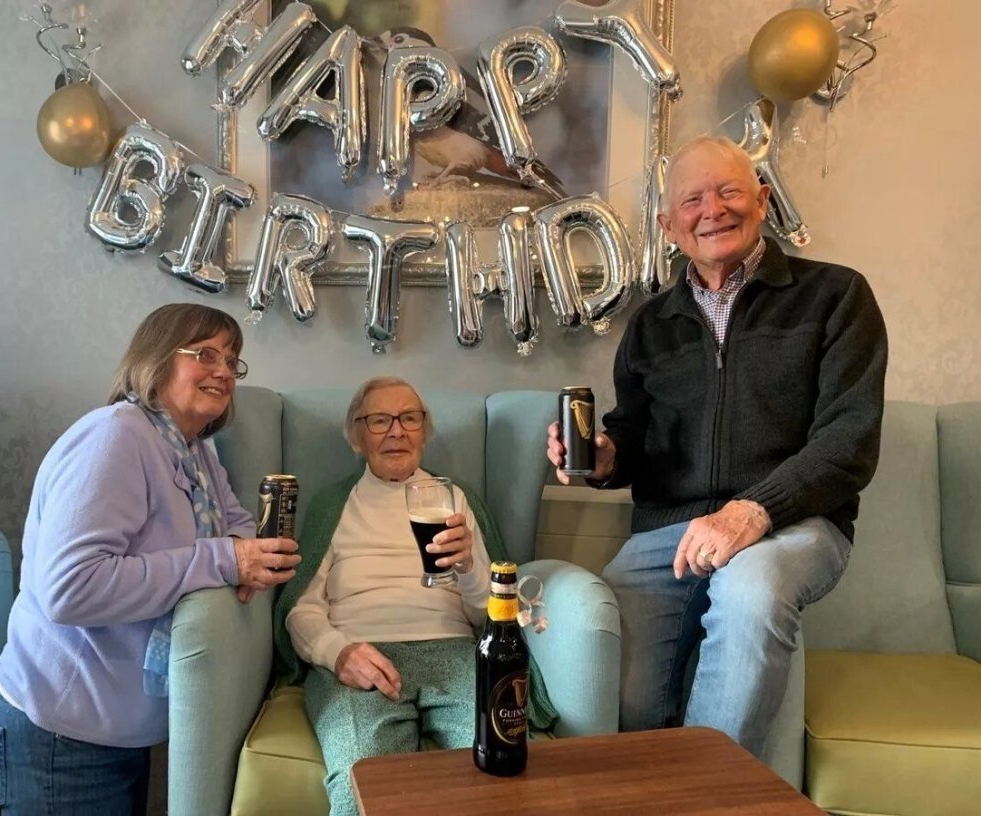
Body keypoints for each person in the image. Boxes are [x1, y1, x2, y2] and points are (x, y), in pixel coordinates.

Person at [546, 136, 888, 760]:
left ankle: (708, 792)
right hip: (669, 533)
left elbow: (849, 440)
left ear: (762, 200)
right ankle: (636, 793)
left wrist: (752, 512)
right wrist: (602, 457)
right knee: (618, 668)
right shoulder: (650, 324)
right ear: (668, 225)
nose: (713, 210)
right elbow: (633, 436)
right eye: (693, 200)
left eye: (729, 191)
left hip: (794, 523)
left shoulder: (837, 296)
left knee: (751, 589)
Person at [0, 303, 301, 814]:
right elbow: (71, 588)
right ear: (158, 357)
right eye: (205, 354)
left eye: (231, 359)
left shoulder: (194, 451)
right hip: (60, 733)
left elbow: (234, 523)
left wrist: (251, 557)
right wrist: (226, 561)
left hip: (117, 728)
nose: (223, 371)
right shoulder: (116, 436)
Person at [274, 377, 555, 816]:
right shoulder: (332, 504)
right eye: (379, 420)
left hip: (455, 651)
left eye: (409, 418)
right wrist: (338, 652)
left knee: (501, 769)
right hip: (364, 655)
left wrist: (468, 567)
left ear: (424, 432)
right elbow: (301, 606)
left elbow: (487, 616)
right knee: (362, 781)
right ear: (356, 436)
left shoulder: (455, 498)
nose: (396, 431)